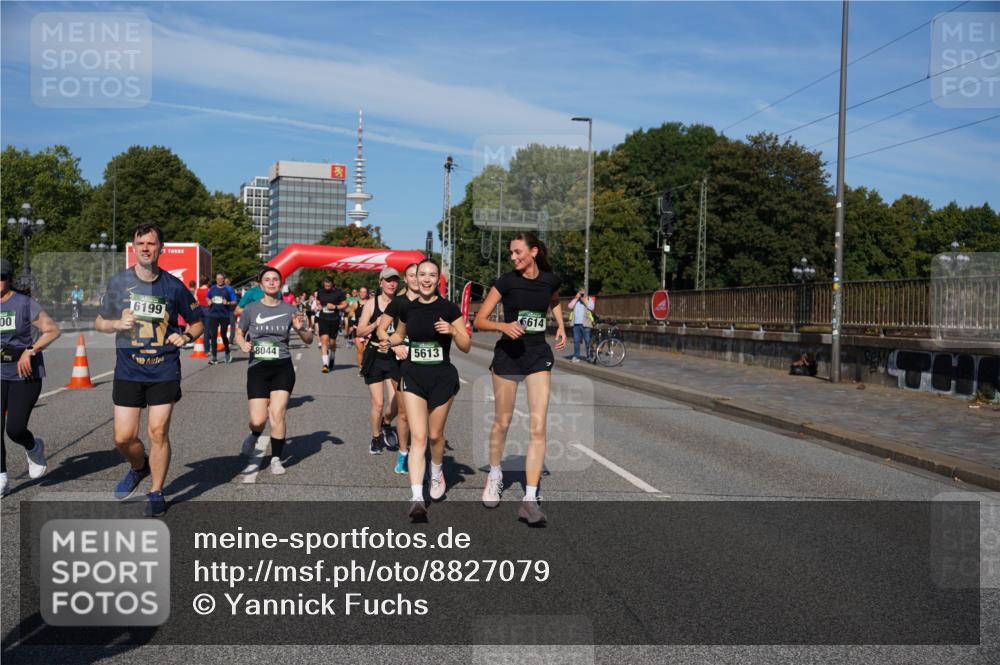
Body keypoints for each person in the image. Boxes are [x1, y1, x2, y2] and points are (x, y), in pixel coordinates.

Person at [95, 223, 204, 516]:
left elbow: (197, 321)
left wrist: (186, 336)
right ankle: (138, 465)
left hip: (163, 369)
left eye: (151, 243)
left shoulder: (173, 286)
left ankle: (156, 490)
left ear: (160, 248)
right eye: (140, 243)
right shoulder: (119, 283)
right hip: (129, 370)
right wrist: (116, 324)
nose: (145, 248)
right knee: (123, 438)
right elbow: (100, 322)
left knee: (157, 431)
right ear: (134, 247)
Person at [474, 233, 565, 525]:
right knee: (503, 421)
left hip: (538, 354)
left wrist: (561, 325)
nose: (513, 258)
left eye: (517, 252)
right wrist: (503, 325)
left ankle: (529, 499)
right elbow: (479, 319)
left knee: (538, 426)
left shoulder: (550, 280)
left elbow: (555, 300)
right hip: (509, 355)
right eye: (511, 253)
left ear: (533, 252)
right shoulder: (506, 282)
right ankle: (496, 474)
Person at [382, 259, 470, 520]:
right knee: (418, 437)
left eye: (432, 275)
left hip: (442, 377)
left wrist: (453, 330)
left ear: (438, 279)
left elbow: (466, 345)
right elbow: (399, 334)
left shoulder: (449, 308)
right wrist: (388, 341)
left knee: (434, 436)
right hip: (412, 376)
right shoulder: (407, 308)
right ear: (415, 278)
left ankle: (437, 468)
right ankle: (417, 498)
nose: (427, 279)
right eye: (422, 275)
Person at [235, 267, 313, 475]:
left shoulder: (290, 309)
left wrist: (301, 328)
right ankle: (254, 435)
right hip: (258, 368)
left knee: (277, 413)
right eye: (267, 280)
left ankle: (276, 458)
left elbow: (309, 340)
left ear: (281, 284)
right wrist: (242, 344)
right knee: (259, 420)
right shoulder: (251, 309)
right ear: (260, 285)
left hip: (282, 366)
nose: (271, 282)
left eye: (275, 279)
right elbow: (239, 333)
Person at [1, 259, 61, 496]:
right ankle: (2, 477)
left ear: (10, 279)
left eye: (2, 277)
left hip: (24, 373)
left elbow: (52, 330)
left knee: (14, 429)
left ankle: (33, 446)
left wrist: (31, 350)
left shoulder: (23, 304)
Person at [377, 263, 419, 475]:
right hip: (400, 363)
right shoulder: (398, 303)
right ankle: (404, 453)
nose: (415, 279)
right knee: (404, 413)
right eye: (411, 275)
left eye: (418, 275)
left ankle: (420, 453)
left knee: (424, 414)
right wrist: (396, 345)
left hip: (425, 365)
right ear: (406, 278)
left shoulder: (433, 303)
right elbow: (381, 329)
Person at [357, 268, 401, 455]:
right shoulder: (371, 304)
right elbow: (359, 332)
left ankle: (387, 423)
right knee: (378, 404)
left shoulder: (401, 303)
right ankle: (375, 438)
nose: (392, 284)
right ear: (380, 282)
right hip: (375, 354)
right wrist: (376, 324)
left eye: (395, 281)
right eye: (388, 280)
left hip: (394, 354)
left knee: (397, 400)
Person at [316, 277, 347, 372]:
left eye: (328, 285)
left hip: (334, 319)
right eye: (325, 285)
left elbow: (345, 304)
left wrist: (335, 307)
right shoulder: (320, 292)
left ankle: (332, 356)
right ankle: (325, 365)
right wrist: (319, 305)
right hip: (323, 318)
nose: (327, 287)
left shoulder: (339, 293)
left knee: (332, 342)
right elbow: (318, 300)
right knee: (324, 340)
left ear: (332, 284)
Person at [206, 272, 237, 364]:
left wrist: (227, 303)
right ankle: (214, 357)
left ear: (224, 279)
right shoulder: (212, 288)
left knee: (223, 335)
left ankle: (227, 352)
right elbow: (207, 298)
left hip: (224, 315)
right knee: (213, 336)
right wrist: (209, 301)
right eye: (217, 279)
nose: (219, 280)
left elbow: (234, 301)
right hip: (213, 315)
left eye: (220, 278)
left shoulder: (228, 289)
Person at [567, 288, 595, 362]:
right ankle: (576, 356)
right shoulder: (576, 300)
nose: (581, 294)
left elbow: (591, 308)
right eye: (580, 293)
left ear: (586, 293)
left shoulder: (589, 299)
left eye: (583, 293)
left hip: (586, 324)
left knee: (587, 341)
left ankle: (589, 356)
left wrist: (584, 300)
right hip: (576, 324)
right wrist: (576, 298)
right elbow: (569, 306)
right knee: (576, 341)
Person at [352, 286, 370, 368]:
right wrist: (352, 316)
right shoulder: (356, 304)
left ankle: (366, 366)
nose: (363, 293)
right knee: (360, 350)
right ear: (359, 293)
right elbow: (351, 314)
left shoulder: (370, 303)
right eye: (361, 292)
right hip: (357, 329)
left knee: (366, 350)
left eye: (364, 292)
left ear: (367, 293)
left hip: (368, 330)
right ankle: (361, 368)